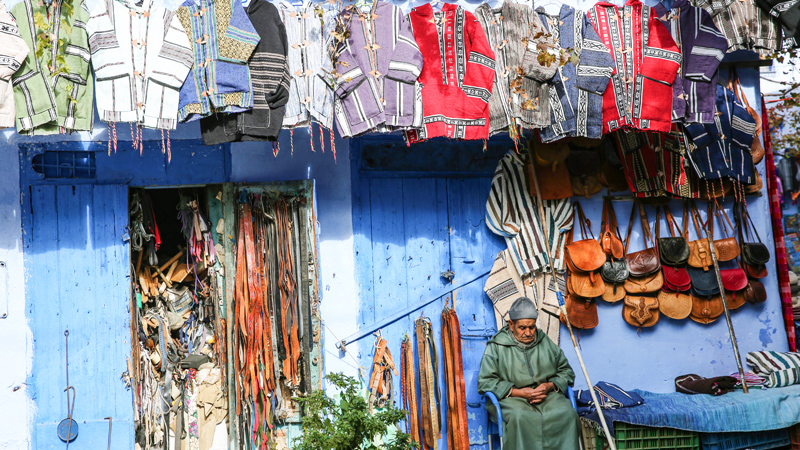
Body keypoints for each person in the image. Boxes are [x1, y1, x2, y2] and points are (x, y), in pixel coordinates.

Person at [478, 296, 581, 450]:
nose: (528, 333)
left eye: (532, 327)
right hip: (511, 399)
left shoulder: (544, 341)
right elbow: (485, 382)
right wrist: (518, 392)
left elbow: (566, 371)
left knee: (567, 414)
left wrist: (549, 386)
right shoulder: (496, 347)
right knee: (520, 417)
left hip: (546, 396)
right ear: (511, 325)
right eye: (522, 328)